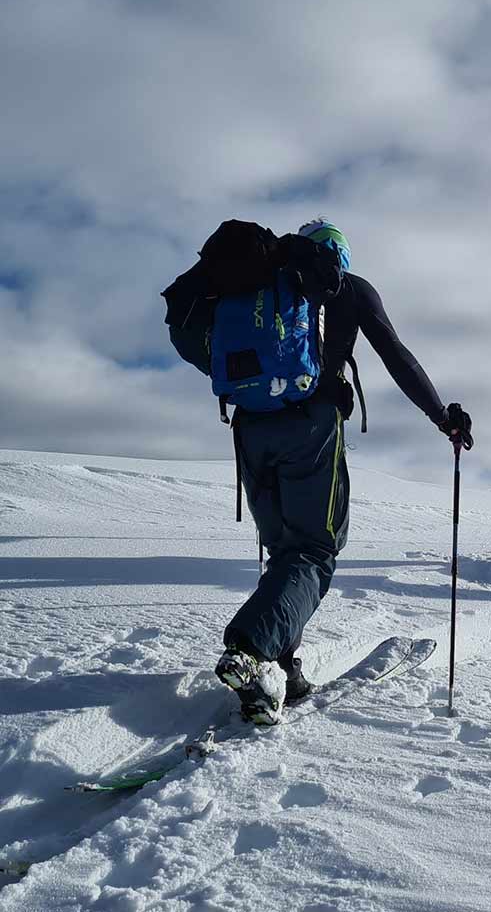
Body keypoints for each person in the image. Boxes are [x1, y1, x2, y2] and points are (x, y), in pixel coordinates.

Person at [164, 218, 470, 724]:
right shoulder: (343, 287)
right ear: (339, 255)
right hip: (310, 426)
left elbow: (198, 346)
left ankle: (281, 670)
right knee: (312, 550)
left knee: (287, 552)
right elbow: (396, 356)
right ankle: (250, 650)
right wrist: (442, 416)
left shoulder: (252, 284)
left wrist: (255, 388)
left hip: (249, 428)